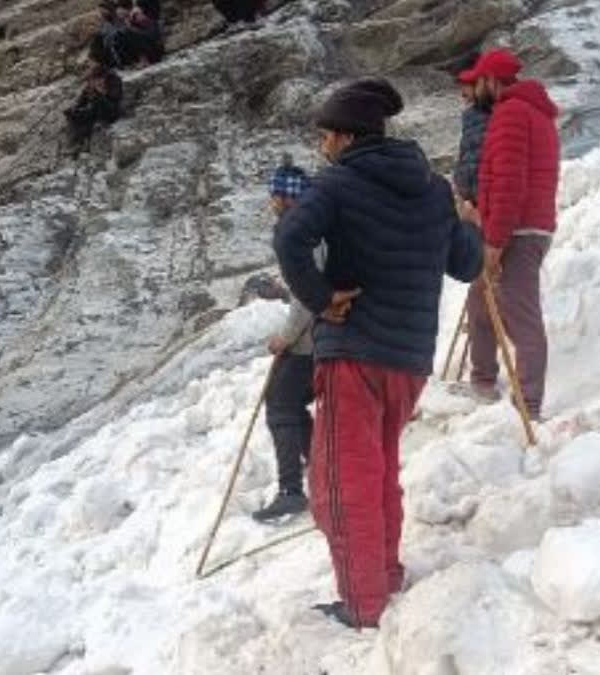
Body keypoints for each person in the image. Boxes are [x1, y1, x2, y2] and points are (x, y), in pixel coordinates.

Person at [275, 78, 483, 628]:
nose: (322, 146)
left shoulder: (336, 184)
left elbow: (289, 239)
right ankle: (383, 577)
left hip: (354, 354)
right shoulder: (433, 187)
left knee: (342, 483)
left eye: (325, 136)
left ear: (345, 137)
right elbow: (467, 265)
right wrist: (467, 223)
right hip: (410, 359)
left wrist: (320, 299)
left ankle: (364, 605)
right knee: (380, 470)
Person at [461, 48, 560, 422]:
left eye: (478, 80)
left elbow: (507, 184)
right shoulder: (531, 111)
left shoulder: (511, 114)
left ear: (491, 81)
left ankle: (528, 406)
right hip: (525, 226)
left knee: (522, 316)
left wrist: (494, 242)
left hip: (517, 230)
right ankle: (483, 380)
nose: (474, 89)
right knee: (481, 300)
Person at [252, 155, 318, 523]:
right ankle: (318, 464)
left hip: (311, 341)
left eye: (275, 194)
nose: (272, 201)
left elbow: (308, 295)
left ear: (287, 198)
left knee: (280, 403)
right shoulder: (312, 226)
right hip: (321, 334)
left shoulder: (299, 234)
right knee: (289, 402)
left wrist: (285, 337)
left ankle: (291, 490)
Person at [452, 59, 491, 207]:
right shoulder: (470, 116)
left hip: (490, 204)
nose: (462, 94)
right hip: (472, 203)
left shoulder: (501, 113)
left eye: (464, 86)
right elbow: (467, 156)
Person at [64, 63, 124, 151]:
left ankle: (84, 140)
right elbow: (81, 101)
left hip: (112, 110)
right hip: (95, 111)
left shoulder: (114, 81)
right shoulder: (90, 86)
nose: (95, 81)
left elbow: (115, 99)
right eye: (93, 80)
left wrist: (101, 92)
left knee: (96, 102)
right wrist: (74, 108)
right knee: (73, 115)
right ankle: (75, 143)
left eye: (98, 79)